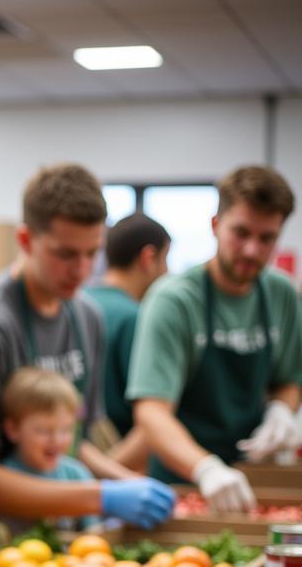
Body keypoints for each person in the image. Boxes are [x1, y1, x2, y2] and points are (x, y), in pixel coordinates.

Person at [0, 163, 175, 530]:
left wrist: (125, 481)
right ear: (25, 241)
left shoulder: (87, 317)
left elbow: (74, 440)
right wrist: (100, 496)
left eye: (91, 253)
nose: (81, 270)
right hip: (3, 542)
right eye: (65, 254)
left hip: (67, 535)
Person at [128, 166, 302, 510]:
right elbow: (151, 412)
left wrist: (282, 409)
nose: (252, 250)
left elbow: (288, 379)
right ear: (215, 225)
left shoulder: (281, 294)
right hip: (184, 485)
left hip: (254, 481)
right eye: (241, 232)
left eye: (266, 238)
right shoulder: (175, 301)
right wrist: (205, 468)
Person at [84, 213, 170, 470]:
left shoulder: (78, 305)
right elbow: (150, 414)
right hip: (120, 459)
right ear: (148, 258)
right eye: (165, 260)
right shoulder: (136, 318)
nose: (167, 271)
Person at [0, 367, 100, 532]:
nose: (57, 440)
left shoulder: (78, 475)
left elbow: (94, 535)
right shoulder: (4, 480)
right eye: (44, 431)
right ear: (13, 429)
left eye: (67, 429)